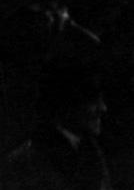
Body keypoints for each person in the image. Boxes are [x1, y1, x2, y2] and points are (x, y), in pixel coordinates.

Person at [3, 25, 112, 190]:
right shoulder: (32, 165)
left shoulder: (88, 149)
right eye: (92, 101)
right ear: (67, 104)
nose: (103, 108)